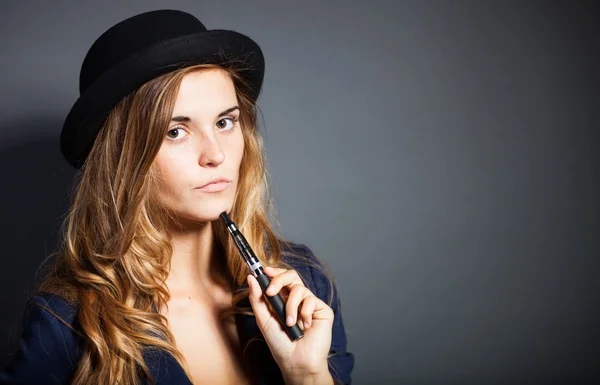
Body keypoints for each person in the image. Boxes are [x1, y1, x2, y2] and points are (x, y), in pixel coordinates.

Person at [0, 9, 354, 385]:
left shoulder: (304, 286)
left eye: (224, 122)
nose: (215, 154)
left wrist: (308, 375)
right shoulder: (65, 324)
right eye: (176, 131)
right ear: (124, 159)